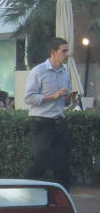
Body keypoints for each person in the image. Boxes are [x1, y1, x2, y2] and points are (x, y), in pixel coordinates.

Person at [24, 37, 76, 191]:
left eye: (67, 51)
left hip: (59, 122)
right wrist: (52, 97)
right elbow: (28, 97)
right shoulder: (38, 71)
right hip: (42, 122)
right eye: (64, 51)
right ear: (53, 52)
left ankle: (63, 198)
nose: (67, 54)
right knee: (41, 160)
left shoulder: (65, 73)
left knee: (62, 163)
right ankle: (23, 187)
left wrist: (68, 99)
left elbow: (63, 102)